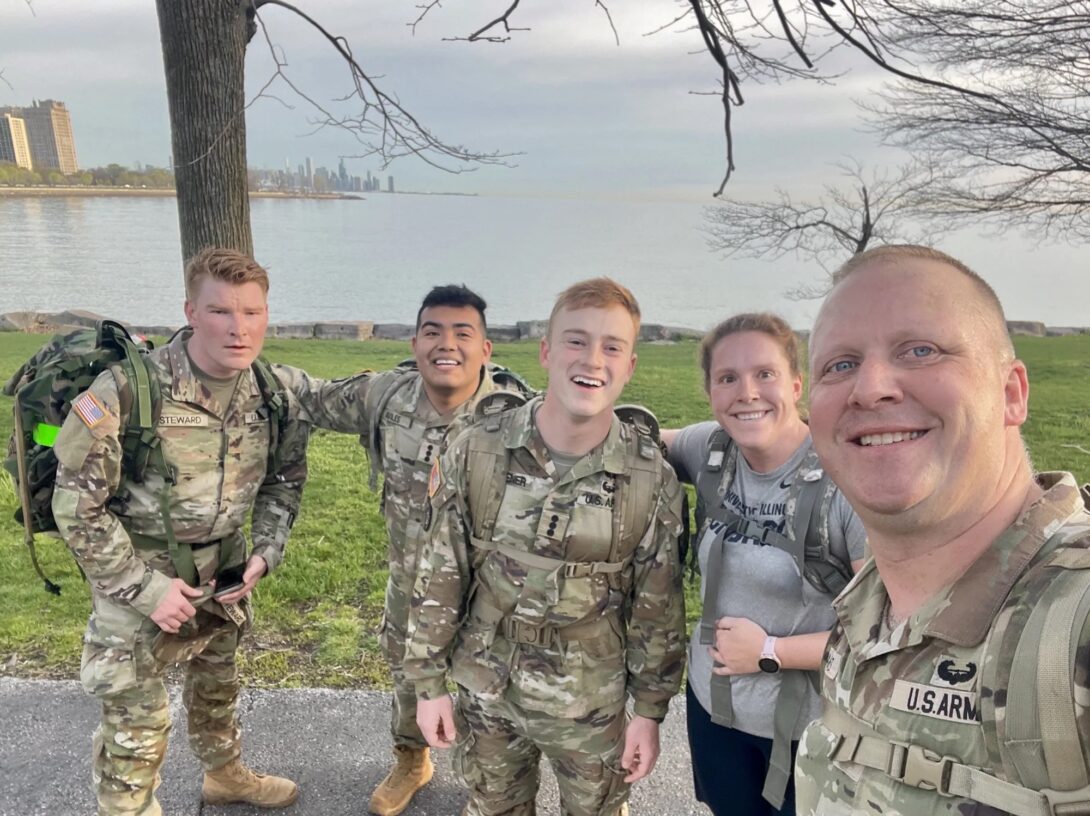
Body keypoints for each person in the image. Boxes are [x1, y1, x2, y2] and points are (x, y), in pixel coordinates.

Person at [795, 245, 1090, 814]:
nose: (870, 387)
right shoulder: (864, 608)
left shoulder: (1075, 620)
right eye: (840, 365)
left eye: (921, 351)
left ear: (1011, 394)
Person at [404, 278, 686, 816]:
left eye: (612, 347)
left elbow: (658, 609)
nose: (593, 360)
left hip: (591, 700)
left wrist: (649, 711)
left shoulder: (649, 478)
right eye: (576, 341)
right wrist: (426, 683)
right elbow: (440, 573)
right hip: (489, 686)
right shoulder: (478, 451)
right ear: (547, 351)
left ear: (629, 367)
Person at [52, 248, 310, 816]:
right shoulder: (126, 390)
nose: (239, 328)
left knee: (218, 688)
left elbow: (283, 484)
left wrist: (263, 555)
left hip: (224, 574)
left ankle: (224, 776)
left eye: (252, 312)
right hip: (137, 581)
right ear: (191, 310)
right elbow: (77, 509)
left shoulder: (270, 394)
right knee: (137, 726)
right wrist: (147, 590)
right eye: (221, 311)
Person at [273, 284, 530, 816]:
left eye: (464, 333)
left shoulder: (518, 417)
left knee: (490, 692)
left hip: (488, 594)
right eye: (433, 332)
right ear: (415, 343)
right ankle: (412, 761)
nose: (447, 345)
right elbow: (311, 396)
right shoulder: (385, 395)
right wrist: (230, 358)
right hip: (411, 584)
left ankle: (489, 784)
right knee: (410, 677)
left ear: (486, 349)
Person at [661, 313, 866, 816]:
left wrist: (771, 651)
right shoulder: (710, 449)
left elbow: (884, 638)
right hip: (713, 710)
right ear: (711, 391)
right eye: (727, 378)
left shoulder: (847, 477)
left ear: (796, 384)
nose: (746, 392)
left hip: (810, 729)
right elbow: (633, 434)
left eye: (765, 375)